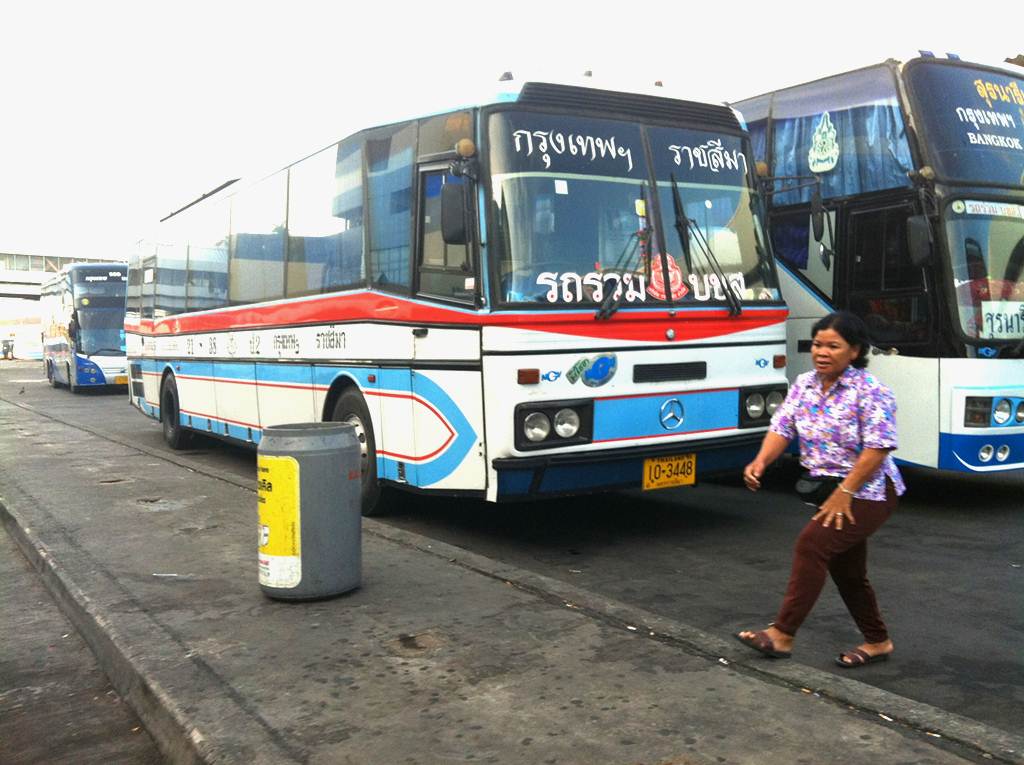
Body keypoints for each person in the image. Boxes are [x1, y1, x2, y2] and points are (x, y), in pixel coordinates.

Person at [735, 311, 906, 668]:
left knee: (812, 546)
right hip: (828, 490)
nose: (822, 352)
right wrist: (761, 462)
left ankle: (782, 634)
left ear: (855, 351)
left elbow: (878, 447)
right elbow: (783, 426)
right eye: (817, 344)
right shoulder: (804, 384)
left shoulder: (870, 391)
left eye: (833, 346)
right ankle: (878, 641)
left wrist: (846, 491)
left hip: (869, 491)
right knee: (847, 571)